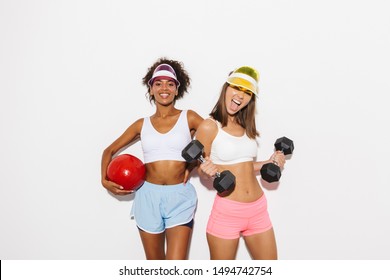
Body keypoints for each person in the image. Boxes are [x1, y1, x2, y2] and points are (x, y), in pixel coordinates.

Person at [101, 58, 203, 260]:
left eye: (170, 84)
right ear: (151, 89)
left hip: (180, 196)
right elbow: (109, 150)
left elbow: (213, 137)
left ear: (176, 89)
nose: (164, 88)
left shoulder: (188, 117)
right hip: (147, 196)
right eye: (158, 83)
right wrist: (104, 181)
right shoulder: (142, 124)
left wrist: (193, 163)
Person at [195, 66, 286, 260]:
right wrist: (205, 171)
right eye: (236, 88)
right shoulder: (210, 126)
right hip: (228, 211)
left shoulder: (246, 126)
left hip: (258, 209)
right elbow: (203, 168)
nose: (239, 96)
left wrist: (268, 162)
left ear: (251, 99)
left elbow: (242, 166)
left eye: (247, 93)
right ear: (226, 88)